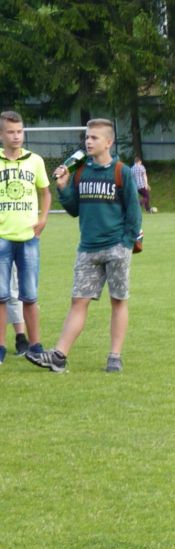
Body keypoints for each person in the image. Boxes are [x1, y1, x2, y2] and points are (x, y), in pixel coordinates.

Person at [28, 118, 141, 374]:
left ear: (108, 142)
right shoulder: (81, 171)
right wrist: (63, 188)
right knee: (78, 301)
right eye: (87, 137)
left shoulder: (121, 171)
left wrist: (125, 243)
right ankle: (59, 356)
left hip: (116, 247)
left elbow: (134, 212)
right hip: (87, 248)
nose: (88, 142)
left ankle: (114, 356)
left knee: (118, 301)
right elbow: (74, 209)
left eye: (94, 138)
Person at [0, 110, 50, 364]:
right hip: (2, 237)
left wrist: (43, 218)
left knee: (29, 295)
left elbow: (45, 192)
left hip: (29, 237)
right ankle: (1, 347)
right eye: (11, 132)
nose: (16, 136)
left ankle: (35, 345)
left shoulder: (35, 161)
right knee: (1, 296)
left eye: (20, 131)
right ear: (1, 134)